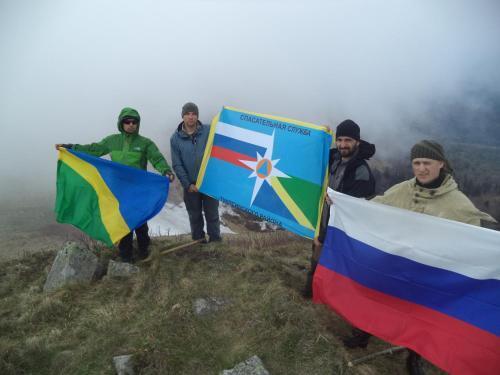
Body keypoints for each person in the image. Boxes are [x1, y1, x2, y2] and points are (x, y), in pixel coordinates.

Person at [342, 139, 496, 375]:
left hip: (429, 274)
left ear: (441, 164)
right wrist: (347, 205)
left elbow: (469, 247)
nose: (421, 168)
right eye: (417, 162)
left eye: (427, 162)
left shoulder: (459, 206)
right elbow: (376, 208)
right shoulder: (402, 190)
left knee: (422, 318)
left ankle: (415, 357)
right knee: (380, 298)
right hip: (396, 265)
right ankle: (364, 332)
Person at [55, 107, 174, 262]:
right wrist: (71, 148)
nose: (131, 124)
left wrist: (166, 171)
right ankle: (126, 256)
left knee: (140, 222)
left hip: (138, 190)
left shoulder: (145, 143)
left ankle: (145, 251)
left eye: (134, 122)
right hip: (118, 191)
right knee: (123, 224)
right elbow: (93, 150)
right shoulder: (112, 141)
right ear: (121, 123)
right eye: (127, 121)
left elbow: (157, 159)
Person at [303, 119, 376, 297]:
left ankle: (326, 300)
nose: (343, 145)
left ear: (357, 142)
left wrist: (323, 236)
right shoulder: (335, 158)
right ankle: (311, 296)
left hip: (341, 233)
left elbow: (354, 210)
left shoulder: (361, 171)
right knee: (317, 265)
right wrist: (322, 137)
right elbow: (313, 155)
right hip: (324, 223)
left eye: (348, 140)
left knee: (335, 271)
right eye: (340, 139)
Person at [170, 102, 221, 243]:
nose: (191, 117)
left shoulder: (208, 131)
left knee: (212, 214)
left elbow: (222, 142)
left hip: (209, 182)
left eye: (194, 114)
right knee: (194, 215)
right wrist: (187, 184)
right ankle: (198, 241)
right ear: (183, 116)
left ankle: (215, 241)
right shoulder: (175, 139)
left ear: (197, 116)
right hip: (191, 185)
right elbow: (177, 164)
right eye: (187, 114)